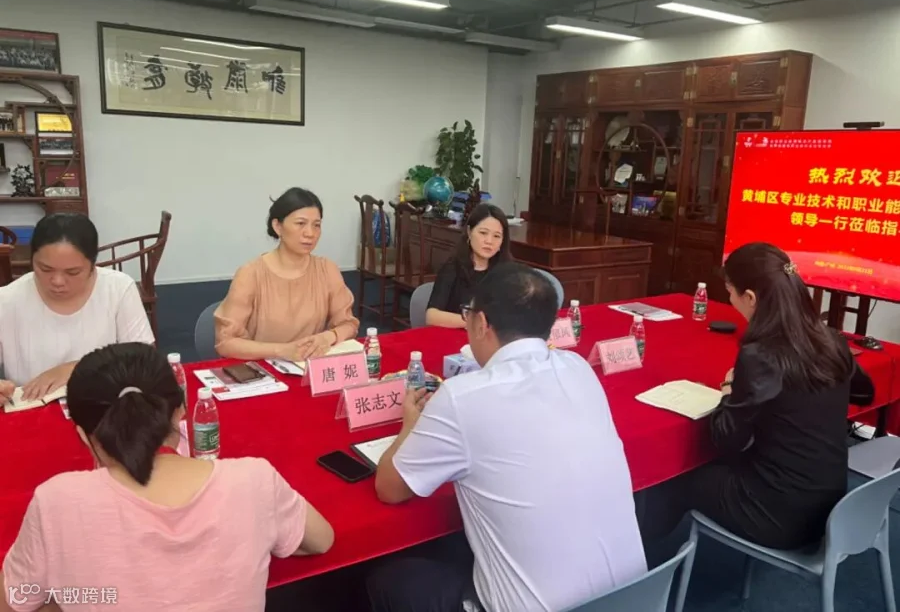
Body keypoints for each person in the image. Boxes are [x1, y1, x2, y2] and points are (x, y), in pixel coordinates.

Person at [371, 262, 647, 612]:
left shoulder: (461, 396)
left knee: (387, 580)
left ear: (481, 323)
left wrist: (409, 425)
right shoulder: (578, 368)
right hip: (639, 599)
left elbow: (390, 488)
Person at [1, 342, 334, 612]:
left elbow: (13, 602)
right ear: (181, 409)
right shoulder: (253, 479)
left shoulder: (57, 502)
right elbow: (321, 540)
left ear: (84, 437)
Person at [671, 242, 875, 550]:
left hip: (777, 514)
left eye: (730, 292)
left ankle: (635, 565)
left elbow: (727, 438)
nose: (730, 300)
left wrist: (729, 389)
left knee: (676, 479)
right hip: (830, 506)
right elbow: (864, 392)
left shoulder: (761, 355)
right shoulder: (830, 339)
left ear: (750, 298)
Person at [0, 213, 153, 406]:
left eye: (73, 272)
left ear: (93, 265)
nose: (57, 281)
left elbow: (144, 360)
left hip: (103, 407)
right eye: (45, 269)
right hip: (32, 410)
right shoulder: (7, 300)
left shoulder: (118, 289)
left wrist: (78, 368)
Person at [215, 187, 359, 362]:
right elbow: (226, 342)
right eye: (300, 223)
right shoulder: (250, 274)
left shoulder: (327, 269)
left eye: (316, 225)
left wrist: (328, 337)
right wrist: (283, 351)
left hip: (308, 367)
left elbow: (348, 324)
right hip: (263, 368)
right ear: (278, 226)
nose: (310, 233)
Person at [425, 203, 511, 328]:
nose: (489, 241)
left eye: (496, 236)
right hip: (455, 336)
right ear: (470, 232)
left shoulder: (507, 272)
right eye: (483, 233)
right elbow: (431, 316)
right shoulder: (452, 267)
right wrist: (474, 322)